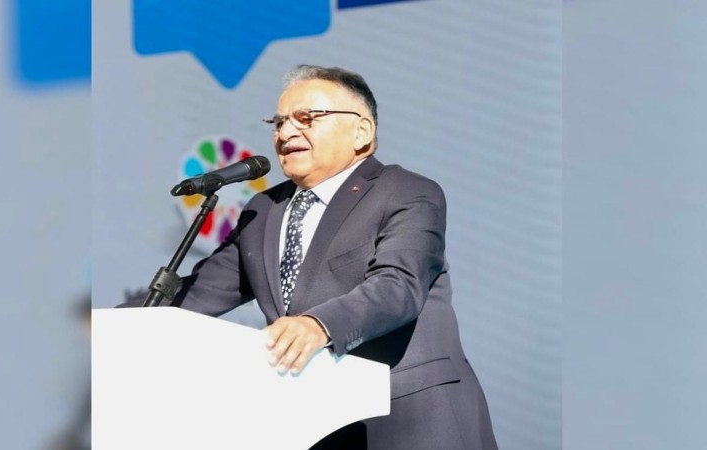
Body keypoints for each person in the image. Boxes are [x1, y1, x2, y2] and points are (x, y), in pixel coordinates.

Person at [129, 64, 497, 449]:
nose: (286, 132)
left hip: (411, 420)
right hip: (316, 425)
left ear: (361, 131)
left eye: (306, 118)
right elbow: (196, 294)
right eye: (278, 123)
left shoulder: (406, 191)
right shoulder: (263, 210)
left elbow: (398, 286)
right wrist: (110, 327)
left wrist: (318, 324)